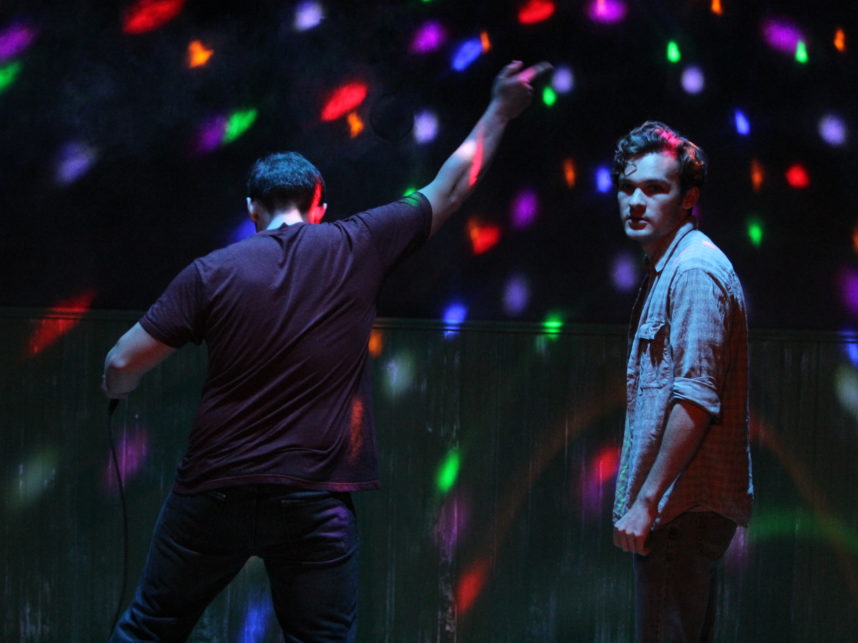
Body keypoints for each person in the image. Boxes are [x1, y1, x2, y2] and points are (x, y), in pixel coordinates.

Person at [101, 60, 551, 641]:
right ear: (320, 206)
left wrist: (118, 389)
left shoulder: (210, 272)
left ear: (252, 209)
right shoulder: (355, 244)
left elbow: (122, 361)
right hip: (315, 499)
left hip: (215, 491)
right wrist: (500, 109)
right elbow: (452, 186)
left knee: (150, 628)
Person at [610, 121, 753, 642]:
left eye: (655, 188)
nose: (636, 202)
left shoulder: (693, 272)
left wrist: (647, 502)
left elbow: (696, 399)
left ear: (688, 197)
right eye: (627, 188)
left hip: (680, 510)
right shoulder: (669, 269)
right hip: (678, 511)